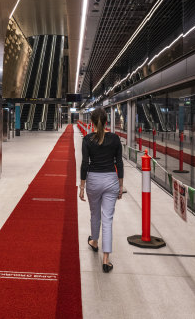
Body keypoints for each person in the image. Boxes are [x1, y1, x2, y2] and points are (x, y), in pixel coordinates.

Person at [79, 107, 124, 273]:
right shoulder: (115, 139)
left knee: (95, 214)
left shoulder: (87, 140)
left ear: (91, 122)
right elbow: (119, 163)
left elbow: (85, 164)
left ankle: (94, 242)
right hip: (111, 180)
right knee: (108, 219)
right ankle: (106, 259)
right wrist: (120, 185)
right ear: (107, 122)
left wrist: (82, 186)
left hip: (93, 181)